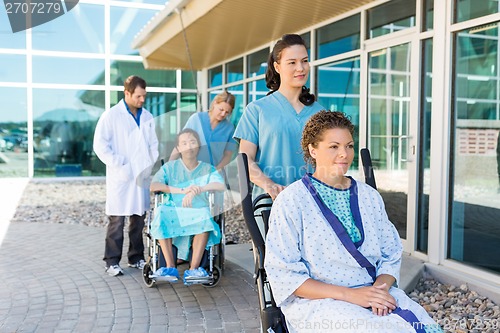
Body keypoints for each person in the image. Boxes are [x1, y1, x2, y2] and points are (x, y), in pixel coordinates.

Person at [264, 111, 442, 333]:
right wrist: (352, 295)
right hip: (320, 302)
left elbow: (391, 252)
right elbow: (285, 274)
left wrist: (379, 290)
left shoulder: (369, 196)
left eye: (349, 146)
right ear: (312, 150)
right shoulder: (291, 201)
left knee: (425, 327)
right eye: (334, 146)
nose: (344, 154)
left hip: (374, 290)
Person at [233, 34, 325, 200]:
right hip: (270, 203)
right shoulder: (257, 110)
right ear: (277, 67)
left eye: (304, 61)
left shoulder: (320, 113)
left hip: (314, 203)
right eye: (292, 62)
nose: (301, 68)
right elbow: (245, 160)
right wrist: (269, 185)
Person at [93, 75, 159, 277]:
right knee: (117, 221)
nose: (142, 100)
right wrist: (119, 162)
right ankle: (112, 261)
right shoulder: (111, 116)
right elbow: (100, 145)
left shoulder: (147, 116)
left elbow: (153, 145)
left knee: (138, 218)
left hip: (140, 176)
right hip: (121, 177)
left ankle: (136, 257)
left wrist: (148, 165)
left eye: (144, 96)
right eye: (138, 96)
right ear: (127, 93)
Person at [149, 128, 225, 283]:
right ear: (178, 148)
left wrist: (200, 189)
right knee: (162, 212)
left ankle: (193, 270)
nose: (189, 146)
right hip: (174, 210)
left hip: (197, 210)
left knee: (204, 215)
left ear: (198, 146)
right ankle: (170, 267)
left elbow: (220, 185)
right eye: (184, 143)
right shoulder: (170, 168)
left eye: (192, 142)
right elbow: (154, 185)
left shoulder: (206, 168)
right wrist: (181, 190)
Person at [170, 91, 237, 171]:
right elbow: (181, 144)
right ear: (215, 103)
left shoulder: (229, 128)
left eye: (227, 112)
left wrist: (215, 171)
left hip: (213, 174)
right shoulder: (196, 119)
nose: (223, 114)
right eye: (221, 109)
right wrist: (168, 166)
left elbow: (228, 155)